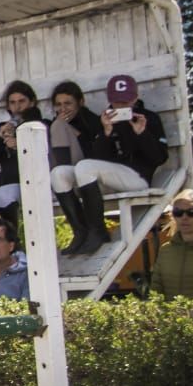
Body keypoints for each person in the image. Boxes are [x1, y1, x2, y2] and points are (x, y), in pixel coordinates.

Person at [52, 75, 169, 256]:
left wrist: (142, 134)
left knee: (84, 167)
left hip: (137, 178)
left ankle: (98, 231)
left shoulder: (149, 118)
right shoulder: (105, 119)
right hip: (106, 180)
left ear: (135, 98)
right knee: (58, 173)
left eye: (126, 101)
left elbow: (159, 158)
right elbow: (98, 158)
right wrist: (106, 133)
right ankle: (81, 231)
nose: (121, 106)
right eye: (116, 102)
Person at [0, 80, 43, 221]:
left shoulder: (40, 125)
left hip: (30, 183)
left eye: (21, 101)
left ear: (32, 102)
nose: (17, 107)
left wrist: (19, 146)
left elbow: (41, 157)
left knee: (4, 194)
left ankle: (12, 239)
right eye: (12, 102)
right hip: (3, 183)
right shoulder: (5, 126)